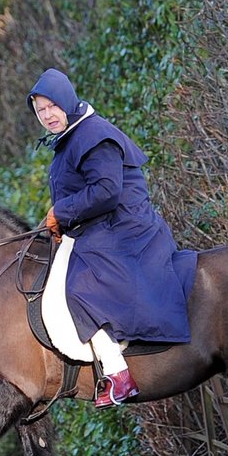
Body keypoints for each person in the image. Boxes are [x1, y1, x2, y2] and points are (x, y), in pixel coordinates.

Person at [27, 67, 197, 408]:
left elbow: (106, 190)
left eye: (51, 107)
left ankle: (119, 375)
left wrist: (60, 214)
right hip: (100, 226)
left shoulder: (94, 135)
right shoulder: (72, 137)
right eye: (40, 111)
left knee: (78, 287)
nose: (47, 116)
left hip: (125, 228)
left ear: (66, 102)